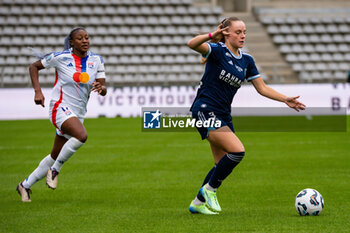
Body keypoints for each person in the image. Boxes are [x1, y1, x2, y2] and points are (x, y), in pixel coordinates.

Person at [187, 17, 306, 214]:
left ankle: (197, 203)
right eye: (238, 32)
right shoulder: (217, 51)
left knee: (221, 163)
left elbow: (262, 88)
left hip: (224, 114)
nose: (243, 36)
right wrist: (212, 35)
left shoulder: (247, 60)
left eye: (244, 32)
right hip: (205, 109)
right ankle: (209, 190)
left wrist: (285, 99)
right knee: (237, 151)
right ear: (226, 33)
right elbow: (191, 44)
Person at [16, 28, 107, 202]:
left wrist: (101, 88)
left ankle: (25, 185)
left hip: (78, 113)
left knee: (54, 155)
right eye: (80, 38)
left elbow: (103, 89)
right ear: (72, 42)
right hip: (60, 107)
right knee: (82, 135)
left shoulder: (97, 60)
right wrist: (38, 92)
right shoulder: (61, 57)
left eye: (87, 37)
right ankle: (55, 170)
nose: (85, 40)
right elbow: (34, 66)